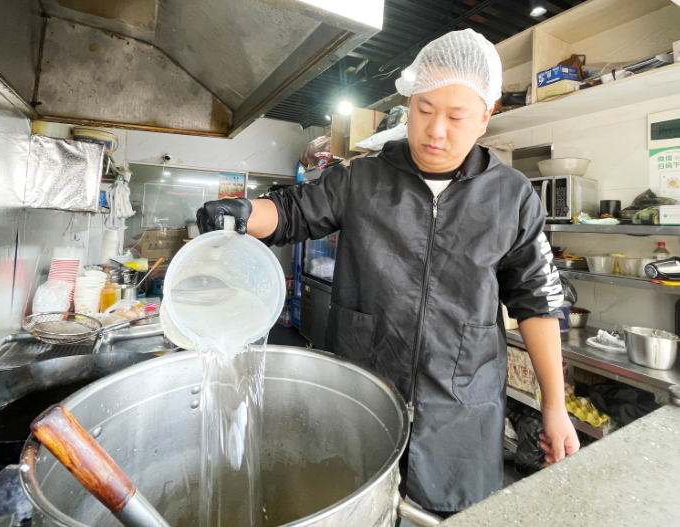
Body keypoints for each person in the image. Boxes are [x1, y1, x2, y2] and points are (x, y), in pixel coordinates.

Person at [196, 29, 579, 516]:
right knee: (353, 505)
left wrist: (553, 406)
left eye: (456, 116)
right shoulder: (362, 178)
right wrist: (244, 212)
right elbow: (292, 211)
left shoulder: (512, 196)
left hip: (461, 412)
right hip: (364, 396)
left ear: (485, 117)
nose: (435, 130)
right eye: (424, 109)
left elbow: (538, 300)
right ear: (409, 103)